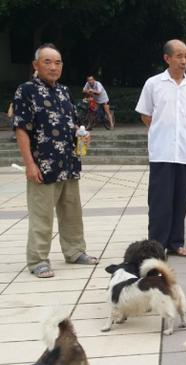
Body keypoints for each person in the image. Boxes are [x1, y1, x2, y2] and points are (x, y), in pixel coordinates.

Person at [12, 43, 98, 278]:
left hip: (68, 162)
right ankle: (38, 260)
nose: (53, 67)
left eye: (58, 62)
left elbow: (73, 124)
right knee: (42, 215)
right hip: (43, 165)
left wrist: (83, 136)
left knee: (72, 212)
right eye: (47, 61)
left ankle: (75, 251)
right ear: (35, 65)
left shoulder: (63, 91)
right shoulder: (26, 90)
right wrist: (29, 163)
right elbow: (21, 129)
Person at [135, 39, 186, 257]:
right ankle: (156, 246)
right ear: (167, 58)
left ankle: (176, 242)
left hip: (184, 153)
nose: (184, 61)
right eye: (179, 56)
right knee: (159, 203)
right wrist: (162, 131)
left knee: (180, 200)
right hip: (161, 153)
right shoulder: (153, 84)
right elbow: (146, 116)